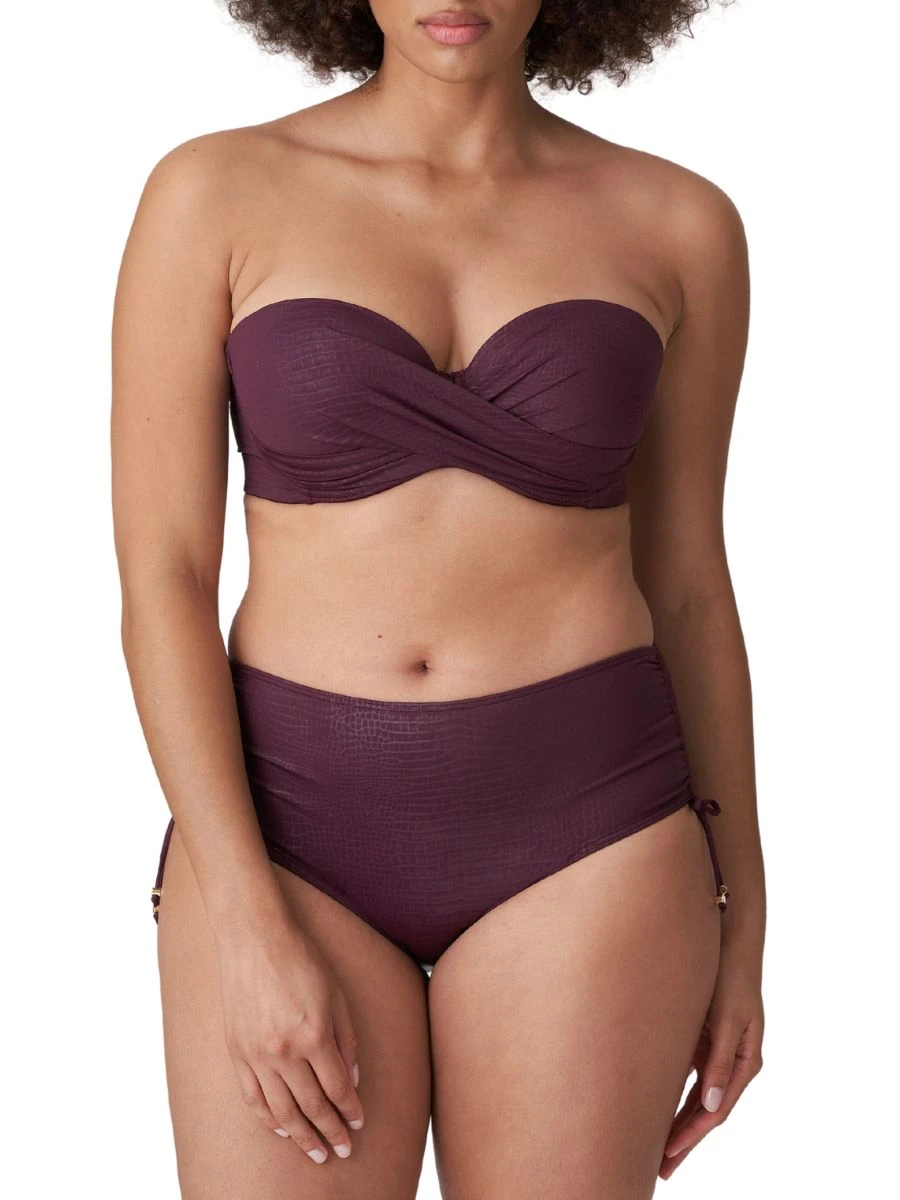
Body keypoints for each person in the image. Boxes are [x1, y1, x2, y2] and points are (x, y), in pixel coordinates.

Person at [111, 2, 765, 1195]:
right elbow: (163, 578)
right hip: (283, 832)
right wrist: (243, 920)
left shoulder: (679, 222)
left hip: (594, 834)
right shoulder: (213, 193)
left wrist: (746, 915)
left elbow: (688, 587)